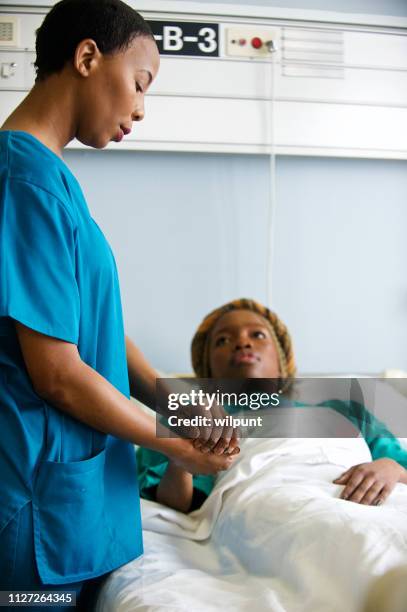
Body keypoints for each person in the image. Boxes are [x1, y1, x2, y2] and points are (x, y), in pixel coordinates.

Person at [0, 1, 237, 606]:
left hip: (75, 504)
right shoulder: (21, 181)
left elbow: (88, 329)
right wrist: (171, 441)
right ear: (86, 58)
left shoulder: (52, 182)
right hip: (39, 507)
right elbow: (57, 374)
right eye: (139, 83)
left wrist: (173, 400)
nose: (139, 107)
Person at [137, 297, 407, 512]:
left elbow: (401, 466)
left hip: (373, 508)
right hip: (272, 512)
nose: (243, 342)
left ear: (281, 361)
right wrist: (182, 457)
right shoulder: (183, 418)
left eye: (258, 335)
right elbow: (170, 507)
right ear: (207, 372)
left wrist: (390, 467)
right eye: (223, 340)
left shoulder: (349, 411)